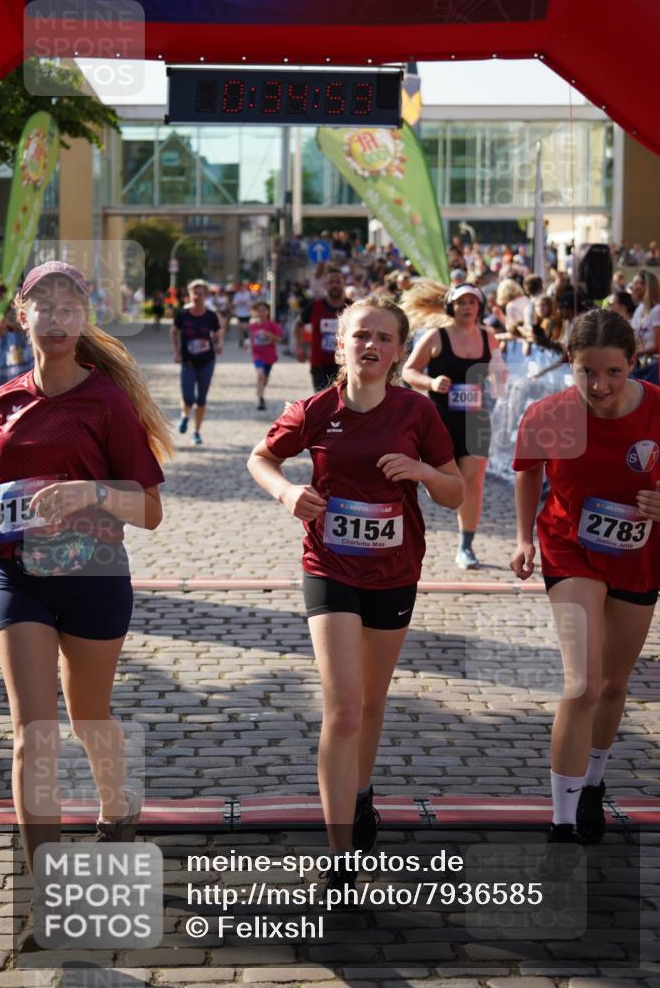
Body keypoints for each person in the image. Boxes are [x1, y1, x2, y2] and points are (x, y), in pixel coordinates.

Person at [248, 293, 462, 890]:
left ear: (397, 351)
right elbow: (260, 458)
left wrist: (421, 472)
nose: (370, 345)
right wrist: (288, 494)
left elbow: (454, 494)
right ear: (340, 345)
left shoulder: (416, 413)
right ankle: (340, 853)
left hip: (395, 571)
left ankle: (360, 792)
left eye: (383, 338)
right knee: (343, 709)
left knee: (370, 703)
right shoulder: (316, 409)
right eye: (359, 336)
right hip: (329, 565)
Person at [0, 260, 172, 870]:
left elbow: (149, 511)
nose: (57, 316)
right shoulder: (1, 405)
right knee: (31, 737)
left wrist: (89, 492)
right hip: (19, 578)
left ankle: (115, 802)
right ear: (23, 317)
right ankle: (46, 883)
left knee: (88, 714)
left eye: (69, 306)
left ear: (83, 320)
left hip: (95, 577)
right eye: (44, 304)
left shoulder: (107, 403)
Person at [510, 309, 659, 844]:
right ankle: (562, 820)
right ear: (568, 365)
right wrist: (525, 537)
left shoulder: (658, 412)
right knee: (583, 683)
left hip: (640, 557)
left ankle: (594, 782)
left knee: (615, 685)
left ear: (633, 365)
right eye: (586, 372)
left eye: (613, 373)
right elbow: (527, 471)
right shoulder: (548, 414)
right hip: (570, 549)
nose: (599, 385)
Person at [403, 283, 504, 570]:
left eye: (473, 302)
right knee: (441, 481)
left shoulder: (489, 338)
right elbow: (410, 371)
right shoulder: (437, 337)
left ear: (479, 308)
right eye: (461, 302)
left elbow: (498, 374)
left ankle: (465, 546)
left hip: (476, 420)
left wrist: (498, 382)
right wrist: (432, 383)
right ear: (451, 307)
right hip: (441, 420)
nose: (467, 307)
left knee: (472, 481)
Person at [171, 278, 223, 445]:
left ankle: (196, 432)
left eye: (201, 293)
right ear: (190, 294)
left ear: (206, 295)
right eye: (195, 293)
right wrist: (177, 351)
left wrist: (219, 344)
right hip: (188, 360)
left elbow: (218, 332)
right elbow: (174, 331)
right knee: (188, 397)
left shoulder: (210, 316)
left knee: (201, 399)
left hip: (207, 360)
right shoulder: (182, 315)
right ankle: (185, 415)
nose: (198, 296)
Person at [294, 267, 350, 391]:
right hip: (320, 365)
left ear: (343, 284)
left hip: (346, 365)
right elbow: (298, 325)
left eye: (338, 282)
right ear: (325, 285)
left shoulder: (353, 307)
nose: (335, 285)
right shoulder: (314, 306)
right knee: (322, 404)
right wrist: (298, 348)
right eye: (331, 282)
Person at [249, 301, 282, 411]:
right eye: (259, 310)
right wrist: (247, 344)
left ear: (268, 312)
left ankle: (260, 391)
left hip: (269, 356)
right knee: (260, 374)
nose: (261, 313)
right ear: (256, 312)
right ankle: (260, 399)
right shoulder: (252, 325)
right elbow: (251, 339)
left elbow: (279, 339)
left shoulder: (272, 325)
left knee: (265, 378)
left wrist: (270, 335)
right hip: (257, 354)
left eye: (264, 310)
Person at [630, 269, 660, 383]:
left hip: (653, 367)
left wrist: (635, 352)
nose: (634, 287)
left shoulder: (657, 310)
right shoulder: (639, 308)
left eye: (638, 283)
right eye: (634, 283)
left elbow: (657, 346)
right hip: (640, 364)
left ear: (648, 285)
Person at [232, 282, 253, 348]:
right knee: (241, 327)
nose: (243, 288)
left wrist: (248, 303)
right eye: (242, 287)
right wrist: (240, 302)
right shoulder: (237, 294)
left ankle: (246, 339)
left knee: (246, 327)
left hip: (247, 313)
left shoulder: (248, 294)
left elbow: (251, 302)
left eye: (244, 287)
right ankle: (242, 340)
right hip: (240, 313)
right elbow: (234, 303)